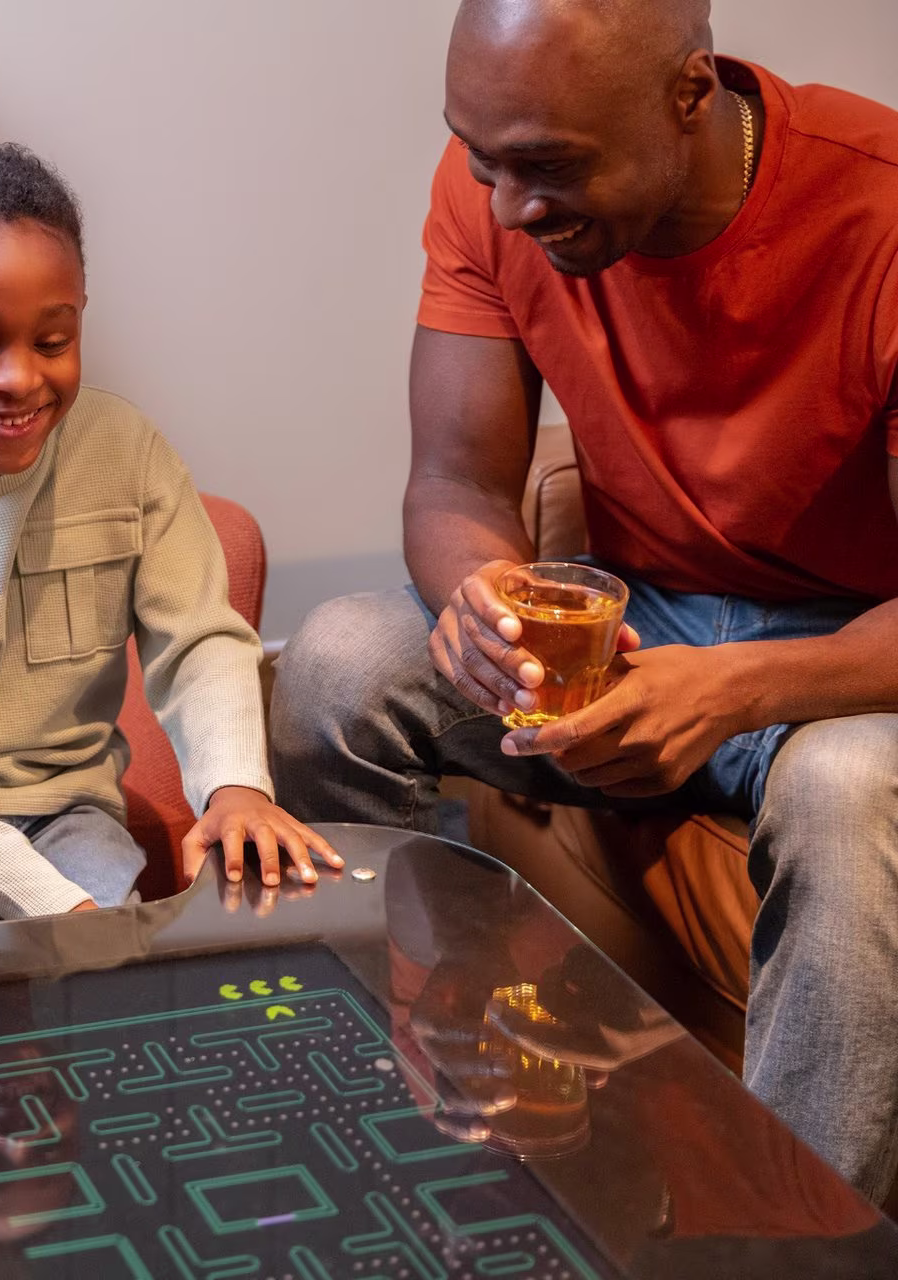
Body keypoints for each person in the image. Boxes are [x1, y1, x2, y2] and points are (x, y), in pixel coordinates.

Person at [269, 0, 898, 1201]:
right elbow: (454, 479)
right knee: (342, 659)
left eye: (549, 167)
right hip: (634, 618)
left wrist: (734, 689)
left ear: (688, 95)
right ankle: (445, 1099)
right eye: (479, 155)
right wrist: (482, 606)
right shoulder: (500, 182)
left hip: (849, 663)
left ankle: (806, 1234)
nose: (508, 205)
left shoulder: (881, 213)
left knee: (845, 785)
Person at [0, 140, 340, 924]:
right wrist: (61, 916)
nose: (20, 379)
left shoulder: (126, 452)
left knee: (100, 982)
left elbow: (198, 638)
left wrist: (235, 784)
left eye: (53, 341)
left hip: (64, 808)